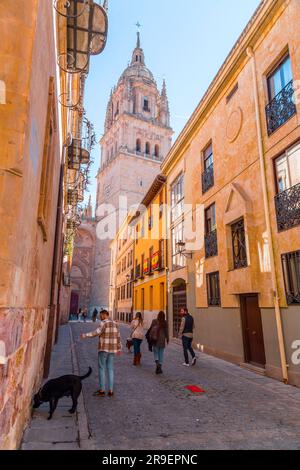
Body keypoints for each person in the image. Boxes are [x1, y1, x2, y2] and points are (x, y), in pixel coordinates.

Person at [80, 310, 122, 397]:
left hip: (103, 349)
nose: (100, 317)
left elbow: (96, 332)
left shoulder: (103, 323)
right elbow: (118, 337)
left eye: (101, 315)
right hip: (112, 349)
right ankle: (111, 390)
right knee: (110, 369)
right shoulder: (115, 323)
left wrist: (85, 335)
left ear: (104, 315)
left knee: (101, 368)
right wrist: (119, 348)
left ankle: (102, 390)